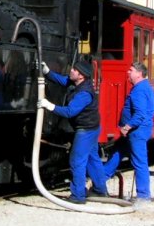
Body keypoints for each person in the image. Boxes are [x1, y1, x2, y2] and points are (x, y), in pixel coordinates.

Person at [38, 59, 109, 203]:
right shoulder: (77, 83)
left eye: (74, 70)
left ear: (81, 75)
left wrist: (50, 106)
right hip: (92, 127)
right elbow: (63, 80)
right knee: (92, 159)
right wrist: (47, 72)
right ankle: (100, 190)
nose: (71, 71)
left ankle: (78, 196)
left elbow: (70, 112)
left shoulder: (84, 93)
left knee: (77, 160)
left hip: (86, 130)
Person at [103, 62, 154, 203]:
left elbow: (140, 114)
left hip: (135, 132)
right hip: (136, 132)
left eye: (131, 70)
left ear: (139, 74)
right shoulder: (146, 88)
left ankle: (144, 196)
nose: (128, 72)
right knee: (116, 154)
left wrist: (127, 127)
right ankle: (99, 183)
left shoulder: (139, 90)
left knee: (139, 163)